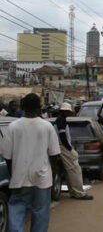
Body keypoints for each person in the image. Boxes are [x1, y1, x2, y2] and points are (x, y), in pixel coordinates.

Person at [2, 93, 60, 231]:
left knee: (16, 210)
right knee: (40, 214)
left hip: (20, 178)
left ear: (23, 107)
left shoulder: (13, 127)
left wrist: (13, 174)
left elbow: (7, 156)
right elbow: (54, 155)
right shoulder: (47, 127)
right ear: (39, 108)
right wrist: (52, 175)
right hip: (42, 179)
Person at [55, 103, 94, 199]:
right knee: (75, 169)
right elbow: (62, 136)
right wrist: (69, 148)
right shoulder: (61, 121)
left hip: (62, 147)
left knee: (70, 170)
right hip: (63, 147)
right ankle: (79, 193)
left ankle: (73, 191)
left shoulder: (60, 120)